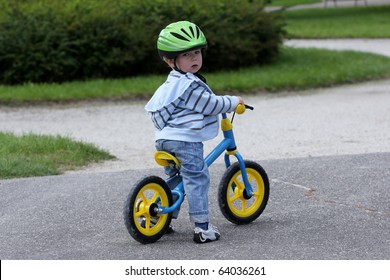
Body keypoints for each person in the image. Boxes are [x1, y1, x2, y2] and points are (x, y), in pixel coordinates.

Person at [145, 21, 244, 243]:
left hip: (164, 140)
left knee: (175, 179)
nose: (195, 59)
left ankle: (161, 218)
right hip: (183, 142)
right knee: (197, 177)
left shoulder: (173, 82)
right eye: (187, 55)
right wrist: (234, 100)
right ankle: (202, 227)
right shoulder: (189, 86)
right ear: (170, 60)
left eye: (197, 52)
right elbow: (211, 105)